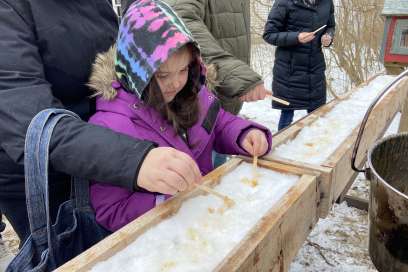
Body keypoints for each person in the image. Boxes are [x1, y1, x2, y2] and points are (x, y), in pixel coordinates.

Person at [0, 0, 201, 245]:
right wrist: (133, 159)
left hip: (107, 153)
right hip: (45, 178)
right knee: (72, 251)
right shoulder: (10, 10)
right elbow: (29, 123)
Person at [87, 0, 272, 232]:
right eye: (163, 75)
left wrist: (243, 134)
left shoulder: (192, 93)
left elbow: (218, 123)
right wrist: (164, 202)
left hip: (206, 221)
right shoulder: (111, 125)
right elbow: (111, 210)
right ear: (136, 70)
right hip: (165, 241)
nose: (175, 82)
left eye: (183, 70)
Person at [263, 0, 336, 130]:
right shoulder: (284, 2)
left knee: (316, 118)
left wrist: (328, 37)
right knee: (287, 115)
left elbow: (330, 26)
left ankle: (316, 148)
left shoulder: (327, 2)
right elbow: (269, 34)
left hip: (315, 70)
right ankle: (281, 148)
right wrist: (296, 37)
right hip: (289, 71)